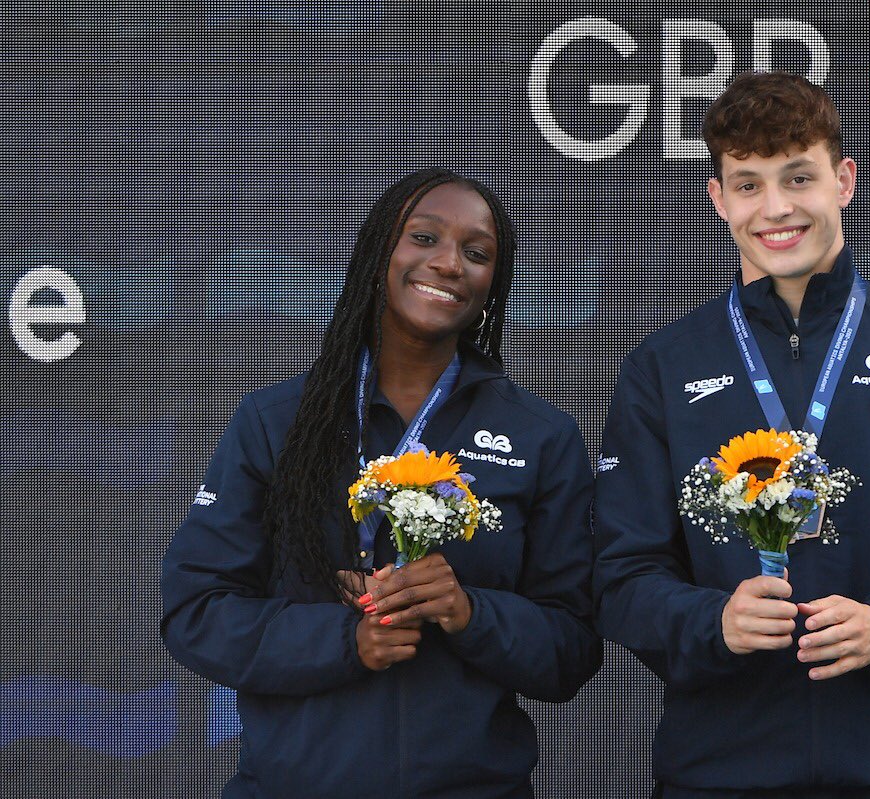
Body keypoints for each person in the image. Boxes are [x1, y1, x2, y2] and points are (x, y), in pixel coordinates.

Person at [592, 72, 870, 798]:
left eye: (798, 177)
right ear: (718, 199)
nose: (776, 208)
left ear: (844, 181)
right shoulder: (664, 366)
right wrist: (714, 621)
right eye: (748, 184)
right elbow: (621, 575)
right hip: (720, 774)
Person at [162, 168, 601, 798]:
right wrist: (345, 640)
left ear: (492, 284)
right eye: (424, 238)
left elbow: (573, 651)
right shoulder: (276, 421)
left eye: (477, 253)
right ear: (378, 254)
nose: (449, 263)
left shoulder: (540, 436)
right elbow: (196, 611)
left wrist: (468, 611)